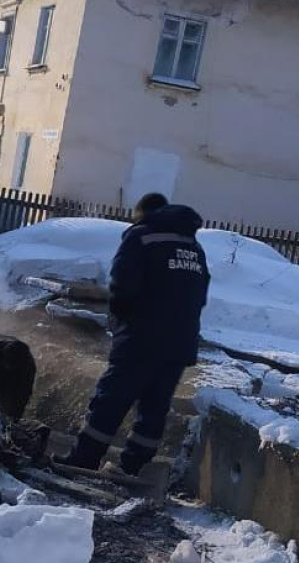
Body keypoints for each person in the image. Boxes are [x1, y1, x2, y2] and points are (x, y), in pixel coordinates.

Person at [57, 193, 210, 476]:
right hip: (180, 341)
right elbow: (200, 295)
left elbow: (122, 287)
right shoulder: (193, 246)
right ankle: (133, 468)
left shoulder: (140, 237)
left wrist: (120, 322)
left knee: (111, 400)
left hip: (142, 337)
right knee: (154, 407)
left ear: (141, 215)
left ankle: (84, 460)